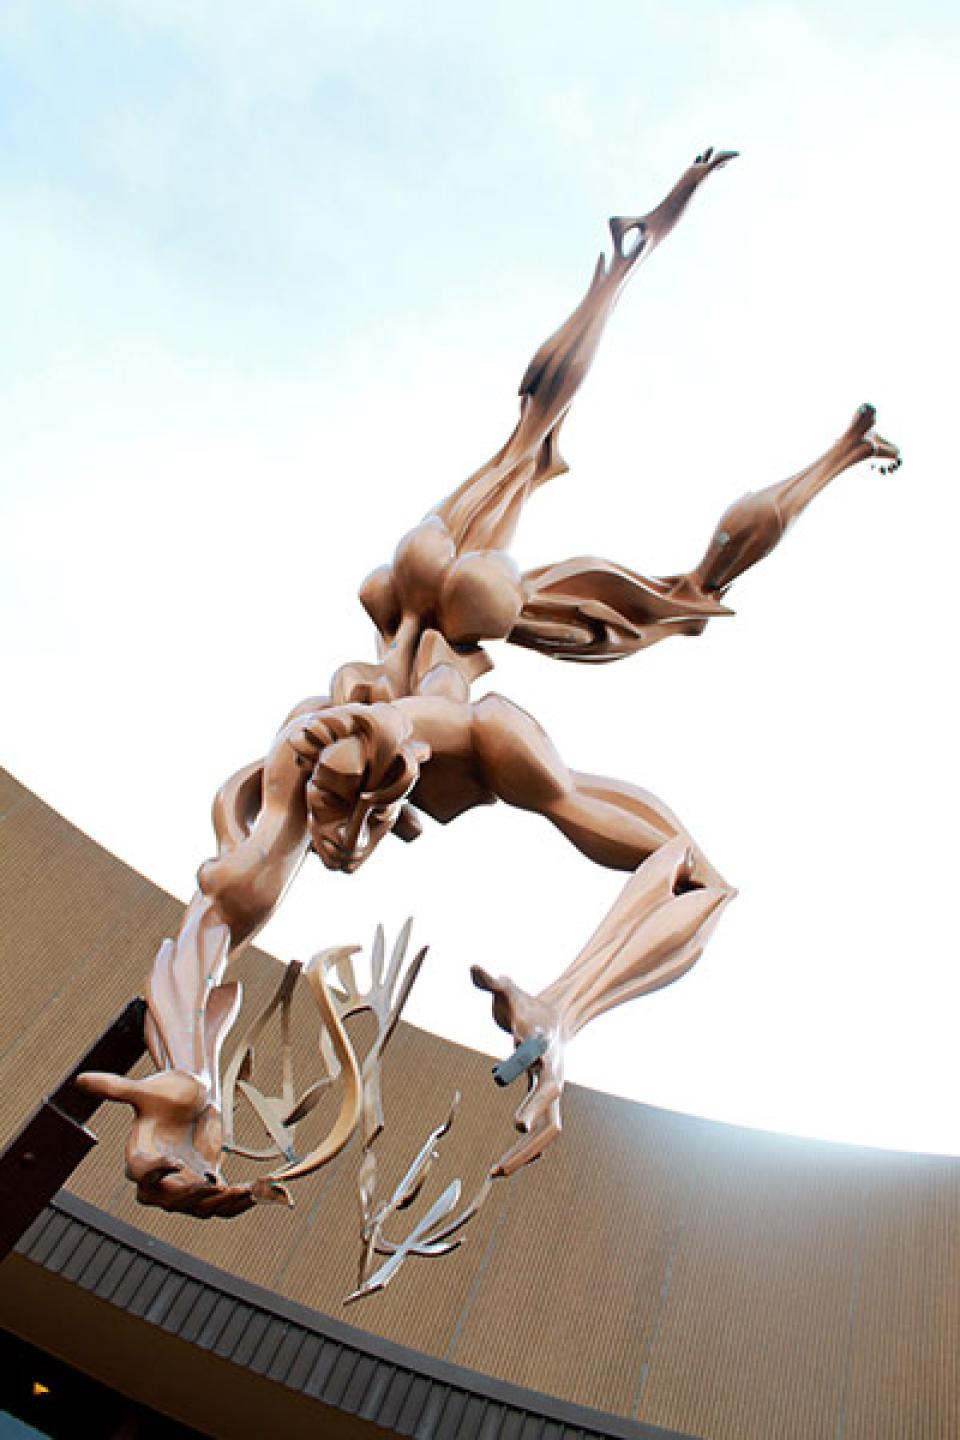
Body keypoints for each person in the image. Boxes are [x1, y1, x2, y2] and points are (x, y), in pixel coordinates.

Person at [80, 148, 900, 1216]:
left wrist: (561, 1011)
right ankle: (644, 280)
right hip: (418, 654)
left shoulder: (438, 732)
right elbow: (219, 913)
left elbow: (218, 915)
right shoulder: (347, 736)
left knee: (549, 474)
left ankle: (556, 1008)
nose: (339, 833)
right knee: (537, 460)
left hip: (429, 656)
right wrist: (175, 1086)